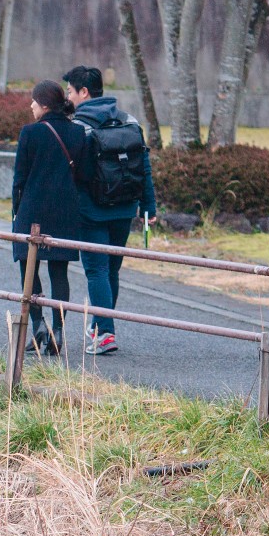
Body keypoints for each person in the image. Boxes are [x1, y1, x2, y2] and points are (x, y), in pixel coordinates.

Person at [63, 65, 158, 355]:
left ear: (84, 92)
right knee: (111, 270)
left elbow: (71, 174)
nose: (69, 96)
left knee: (97, 270)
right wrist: (148, 206)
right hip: (125, 207)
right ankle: (101, 325)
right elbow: (144, 165)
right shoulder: (128, 119)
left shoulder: (78, 127)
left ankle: (104, 332)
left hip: (91, 210)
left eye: (70, 91)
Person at [10, 80, 90, 357]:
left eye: (33, 100)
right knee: (60, 272)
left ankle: (37, 325)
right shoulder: (78, 132)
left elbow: (19, 179)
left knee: (28, 267)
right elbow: (84, 176)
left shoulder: (30, 133)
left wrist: (15, 212)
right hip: (65, 210)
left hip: (31, 211)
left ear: (44, 104)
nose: (30, 105)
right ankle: (57, 331)